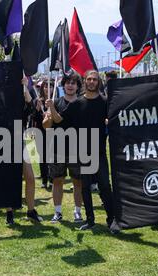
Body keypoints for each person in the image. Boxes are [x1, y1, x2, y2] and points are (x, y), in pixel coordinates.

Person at [47, 70, 121, 234]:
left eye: (94, 79)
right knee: (85, 187)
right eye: (89, 79)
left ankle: (112, 220)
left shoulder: (105, 102)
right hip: (82, 152)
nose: (92, 81)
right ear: (85, 82)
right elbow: (59, 119)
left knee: (105, 186)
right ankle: (90, 220)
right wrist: (51, 108)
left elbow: (115, 118)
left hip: (99, 152)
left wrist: (109, 121)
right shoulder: (77, 104)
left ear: (98, 82)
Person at [43, 71, 83, 223]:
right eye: (68, 82)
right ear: (63, 85)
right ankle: (57, 212)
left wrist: (52, 110)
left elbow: (60, 119)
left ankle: (78, 212)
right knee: (57, 181)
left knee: (77, 182)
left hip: (77, 148)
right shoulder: (56, 102)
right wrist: (49, 112)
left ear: (78, 86)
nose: (70, 85)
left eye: (73, 83)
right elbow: (46, 126)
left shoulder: (81, 102)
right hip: (57, 148)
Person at [5, 77, 43, 225]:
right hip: (3, 142)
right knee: (9, 180)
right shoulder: (1, 101)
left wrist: (25, 86)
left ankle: (30, 210)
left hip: (20, 142)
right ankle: (9, 213)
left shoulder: (22, 104)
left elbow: (30, 105)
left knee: (30, 178)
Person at [33, 80, 53, 189]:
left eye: (50, 86)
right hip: (40, 132)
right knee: (43, 157)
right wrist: (37, 109)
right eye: (46, 86)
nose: (47, 88)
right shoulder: (38, 101)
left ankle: (51, 179)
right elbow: (34, 118)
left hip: (52, 132)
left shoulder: (54, 101)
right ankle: (44, 180)